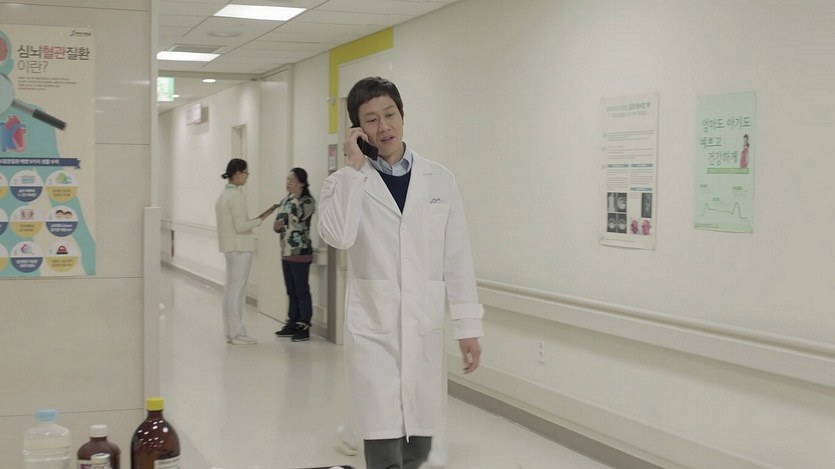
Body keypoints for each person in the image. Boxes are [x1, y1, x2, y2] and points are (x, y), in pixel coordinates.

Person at [318, 77, 484, 469]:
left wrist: (468, 327)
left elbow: (457, 258)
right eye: (371, 119)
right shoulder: (342, 183)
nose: (384, 127)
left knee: (419, 449)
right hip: (374, 331)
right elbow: (338, 236)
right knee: (383, 445)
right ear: (357, 129)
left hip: (422, 328)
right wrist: (353, 169)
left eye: (390, 114)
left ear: (403, 115)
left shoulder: (439, 180)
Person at [215, 158, 275, 345]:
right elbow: (241, 227)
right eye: (246, 172)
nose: (247, 176)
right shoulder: (236, 196)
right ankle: (237, 333)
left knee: (230, 290)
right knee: (237, 291)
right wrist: (261, 219)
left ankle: (230, 332)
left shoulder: (223, 196)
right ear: (237, 173)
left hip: (230, 248)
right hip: (240, 248)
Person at [273, 168, 317, 342]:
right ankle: (292, 322)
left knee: (301, 290)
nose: (288, 183)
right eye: (287, 180)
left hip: (300, 252)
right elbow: (279, 223)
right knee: (291, 290)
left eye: (291, 180)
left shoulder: (307, 201)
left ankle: (303, 325)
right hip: (286, 252)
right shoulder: (285, 200)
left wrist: (295, 198)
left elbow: (298, 217)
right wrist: (277, 226)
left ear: (301, 183)